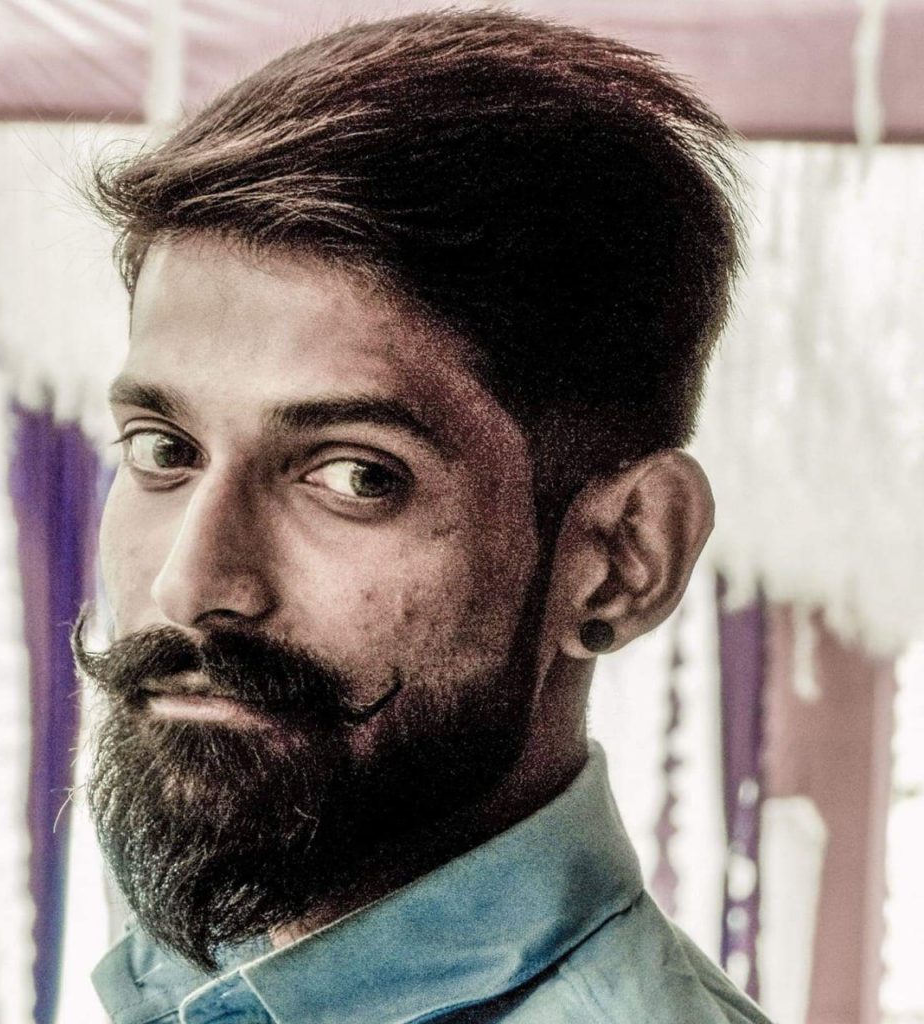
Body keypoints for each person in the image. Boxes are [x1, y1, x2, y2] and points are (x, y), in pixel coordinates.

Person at [73, 9, 773, 1023]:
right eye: (163, 451)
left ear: (625, 558)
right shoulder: (189, 981)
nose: (190, 584)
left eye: (357, 475)